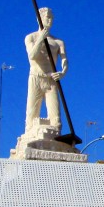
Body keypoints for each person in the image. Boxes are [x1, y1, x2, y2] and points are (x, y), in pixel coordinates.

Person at [24, 7, 68, 135]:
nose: (50, 20)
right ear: (40, 19)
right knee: (31, 118)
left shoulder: (58, 42)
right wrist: (40, 38)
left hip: (51, 79)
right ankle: (30, 139)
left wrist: (63, 71)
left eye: (51, 18)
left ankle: (55, 140)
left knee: (56, 121)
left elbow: (65, 60)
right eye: (47, 17)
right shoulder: (30, 37)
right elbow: (32, 56)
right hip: (36, 77)